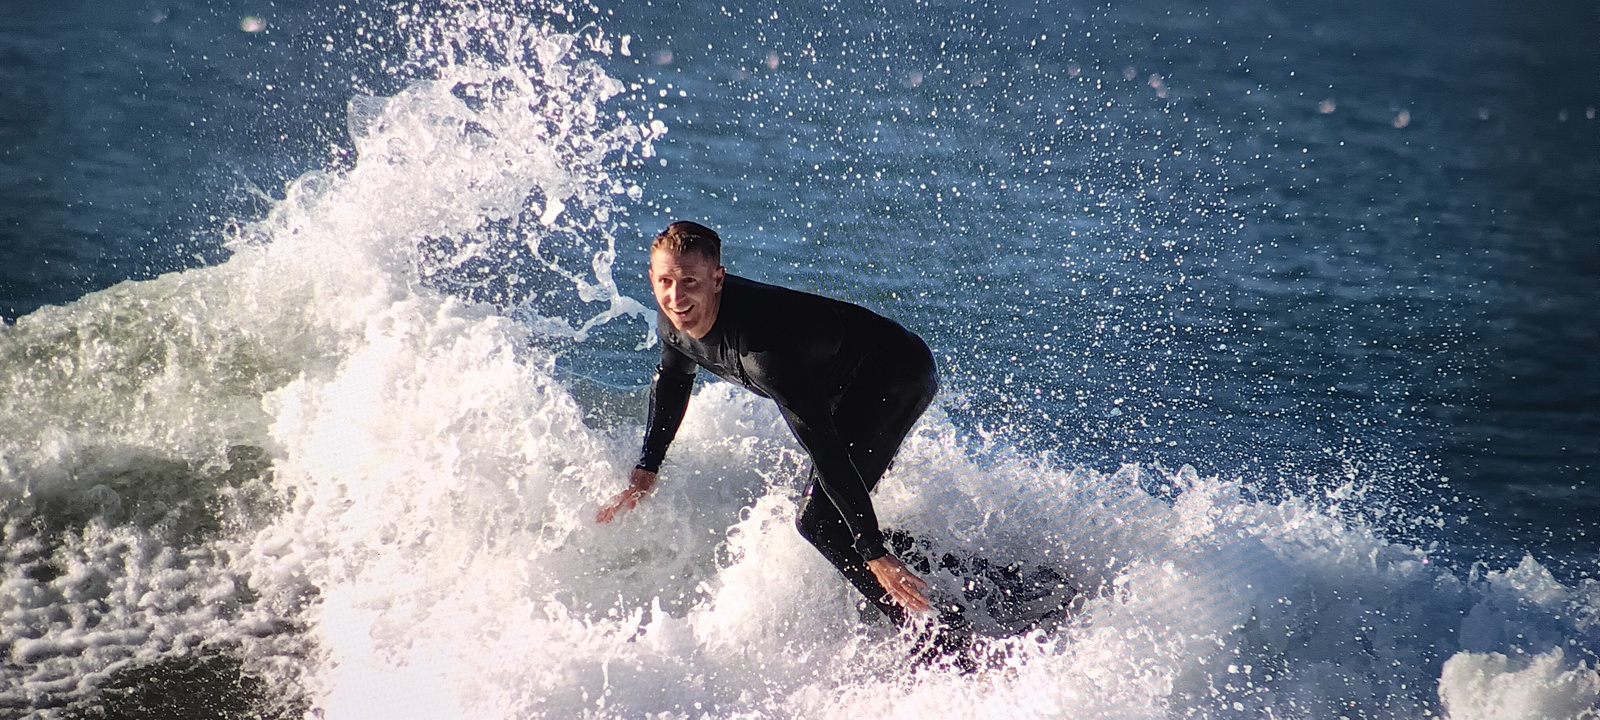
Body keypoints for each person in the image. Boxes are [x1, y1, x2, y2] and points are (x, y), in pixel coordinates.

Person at [596, 220, 951, 638]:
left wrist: (872, 551)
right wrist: (646, 470)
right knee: (832, 516)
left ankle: (934, 637)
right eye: (665, 281)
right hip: (835, 382)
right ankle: (957, 577)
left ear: (717, 280)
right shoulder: (675, 315)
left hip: (894, 372)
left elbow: (827, 451)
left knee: (820, 521)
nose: (676, 297)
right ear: (652, 277)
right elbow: (674, 378)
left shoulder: (764, 352)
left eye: (690, 281)